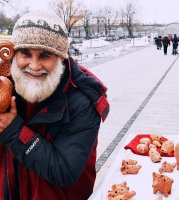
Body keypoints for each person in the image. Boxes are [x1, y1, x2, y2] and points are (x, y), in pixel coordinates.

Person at [0, 11, 109, 200]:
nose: (34, 66)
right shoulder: (6, 86)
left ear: (61, 58)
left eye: (45, 55)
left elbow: (64, 171)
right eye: (25, 53)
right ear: (14, 55)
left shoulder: (83, 100)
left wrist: (13, 131)